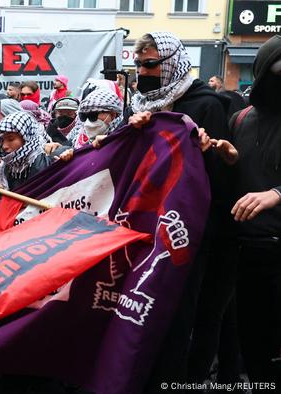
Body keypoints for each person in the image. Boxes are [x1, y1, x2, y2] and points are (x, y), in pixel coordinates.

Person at [126, 31, 233, 390]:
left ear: (170, 62)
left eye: (151, 64)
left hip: (190, 233)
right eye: (139, 64)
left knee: (183, 319)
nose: (143, 71)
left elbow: (218, 178)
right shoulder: (143, 107)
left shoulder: (207, 106)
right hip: (148, 230)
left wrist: (204, 150)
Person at [225, 34, 281, 386]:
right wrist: (224, 159)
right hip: (244, 255)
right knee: (254, 350)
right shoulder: (241, 119)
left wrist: (277, 193)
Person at [0, 112, 67, 191]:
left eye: (11, 139)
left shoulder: (49, 157)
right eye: (2, 141)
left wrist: (67, 157)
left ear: (26, 137)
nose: (4, 146)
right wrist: (0, 190)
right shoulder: (7, 167)